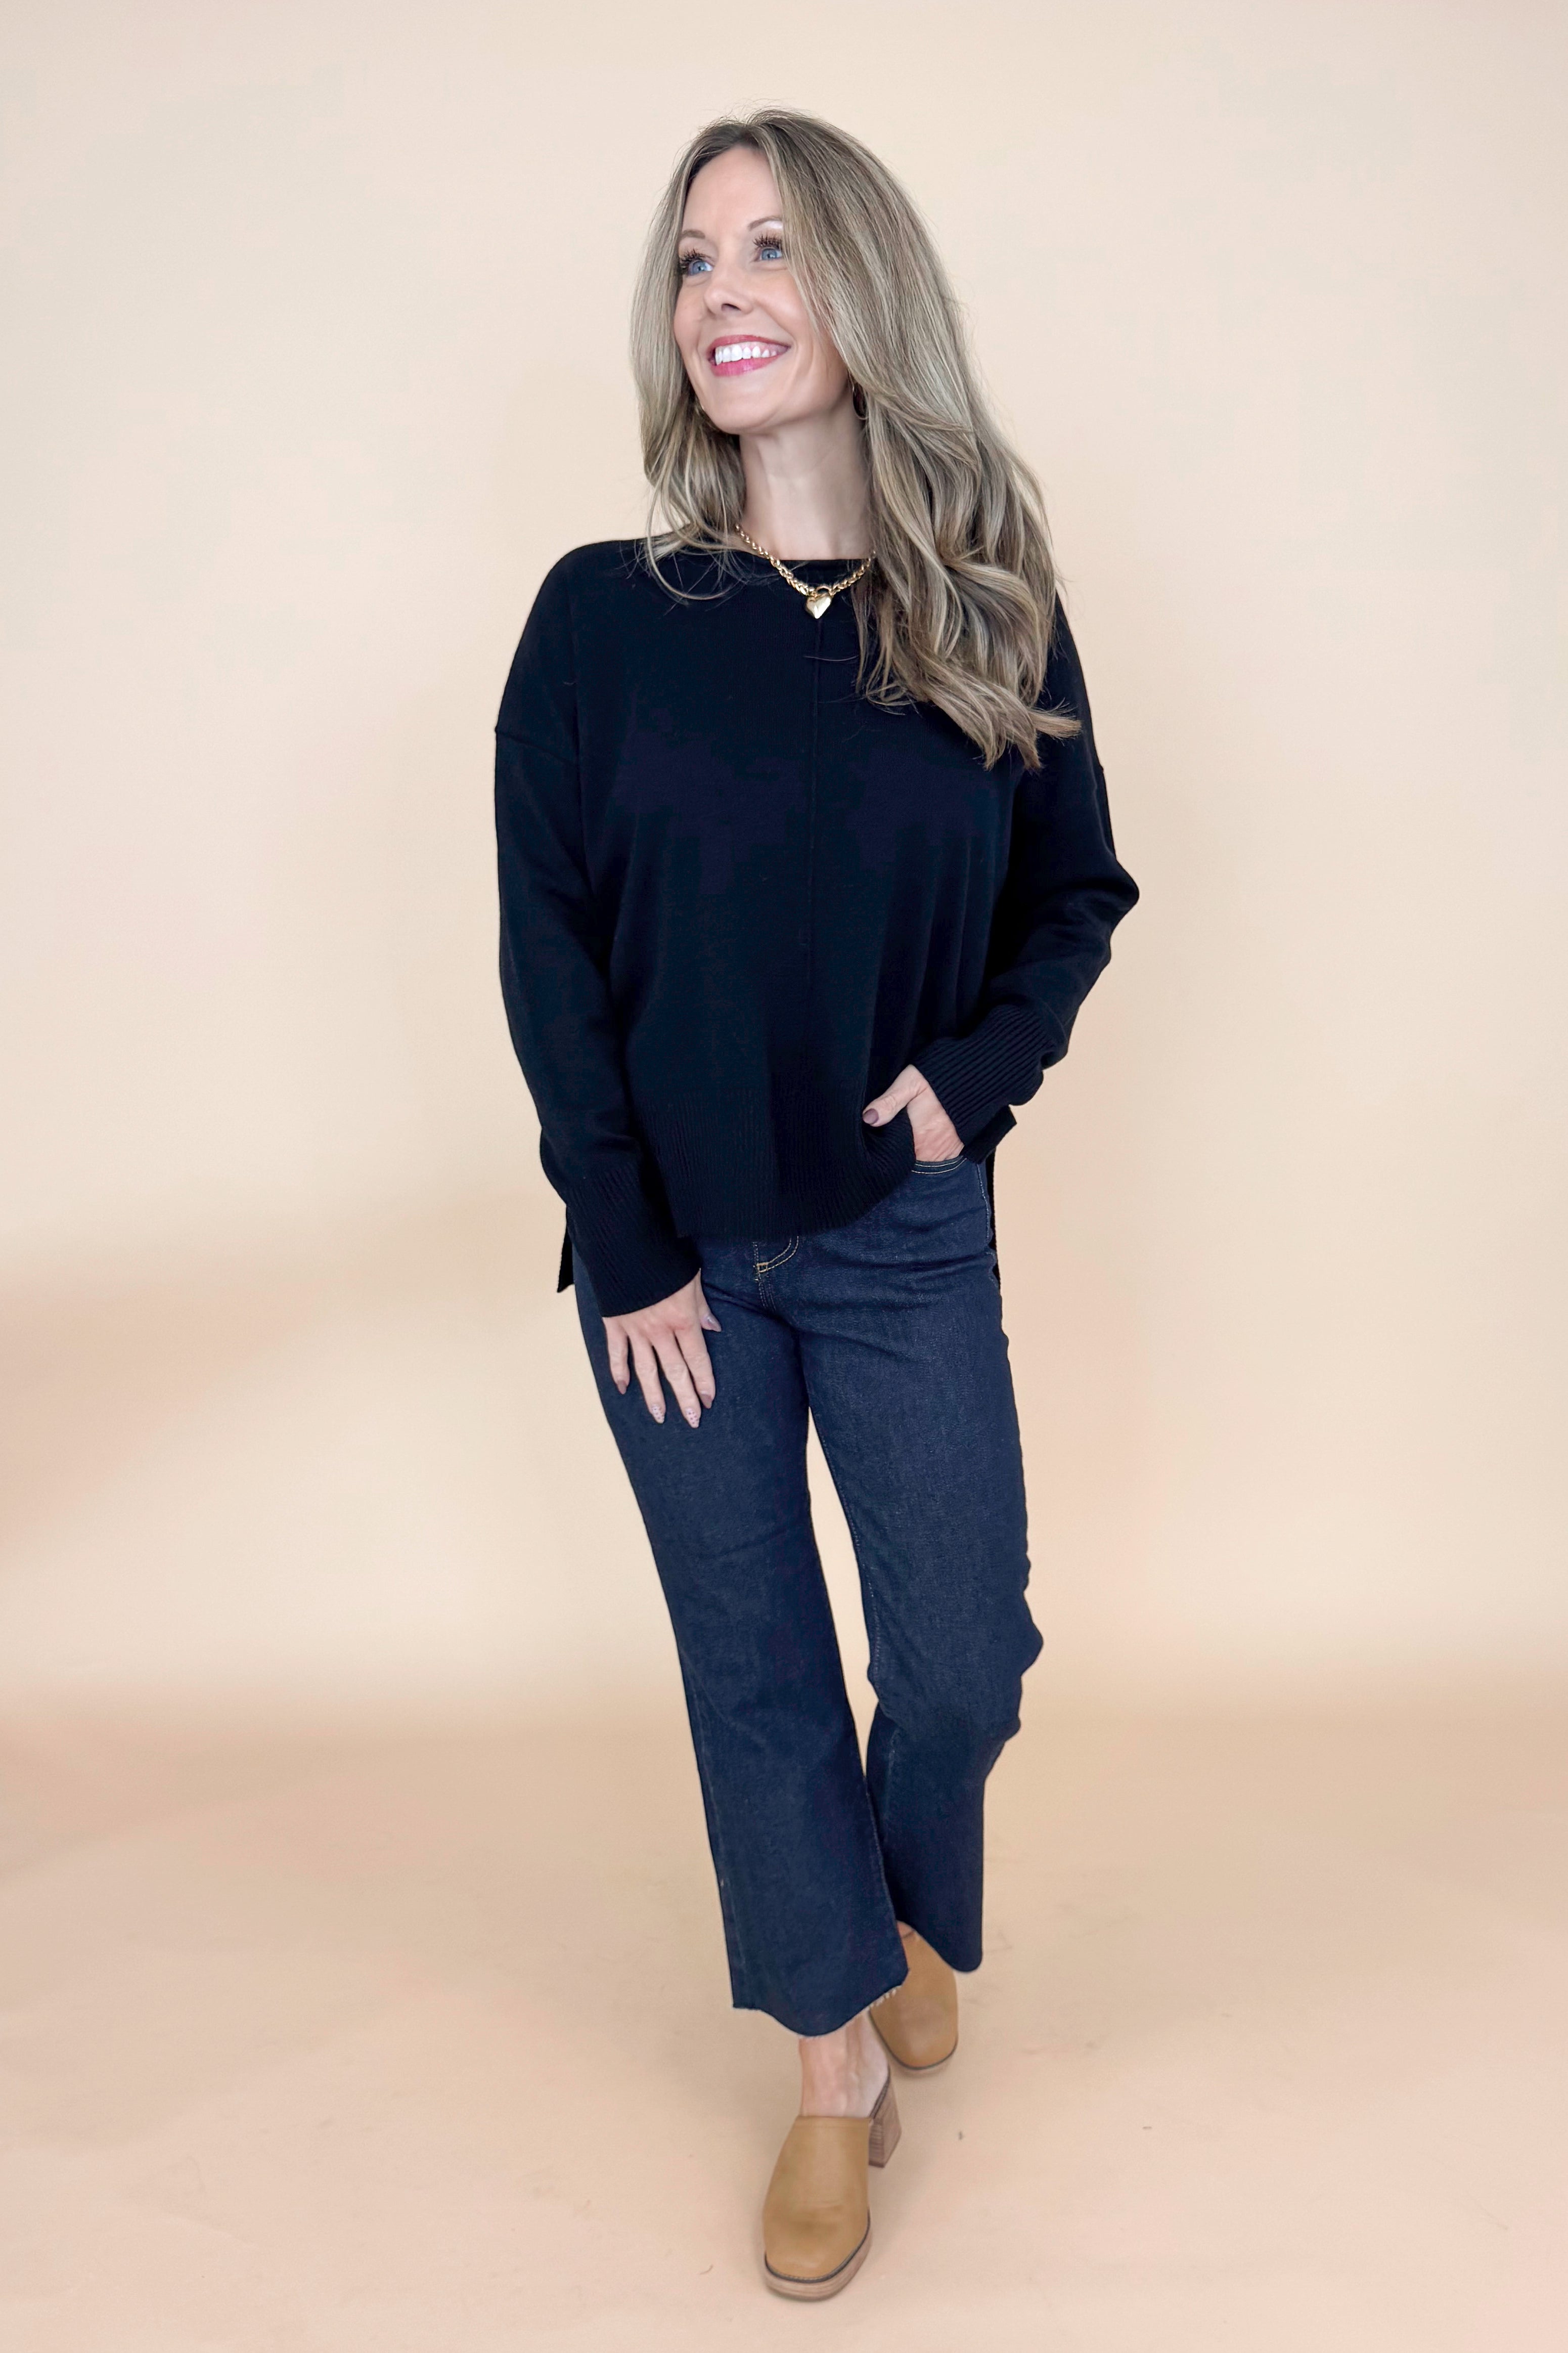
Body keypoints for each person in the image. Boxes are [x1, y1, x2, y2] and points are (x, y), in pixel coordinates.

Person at [494, 108, 1138, 2299]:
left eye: (767, 247)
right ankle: (830, 2071)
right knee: (756, 1671)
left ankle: (886, 1904)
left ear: (861, 293)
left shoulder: (987, 602)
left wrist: (967, 1091)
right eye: (692, 262)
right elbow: (546, 944)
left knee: (955, 1657)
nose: (723, 294)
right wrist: (628, 1237)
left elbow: (1073, 895)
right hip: (676, 1261)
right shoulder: (603, 618)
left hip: (891, 1239)